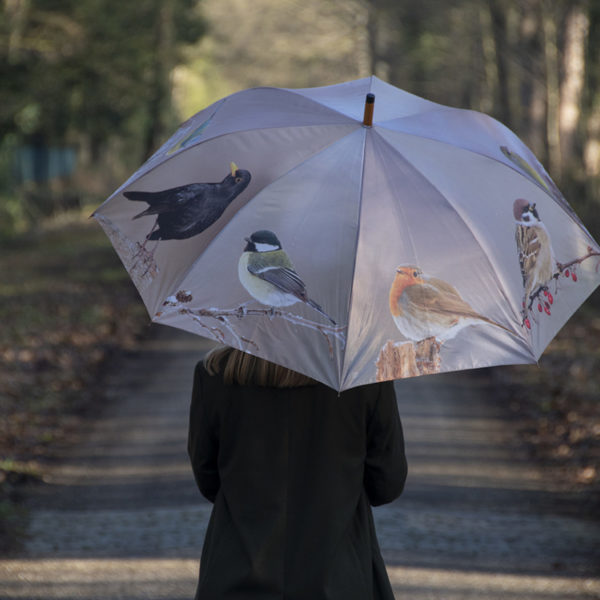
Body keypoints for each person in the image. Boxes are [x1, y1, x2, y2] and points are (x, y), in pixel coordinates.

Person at [188, 345, 408, 600]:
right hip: (338, 576)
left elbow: (207, 478)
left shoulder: (214, 374)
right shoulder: (365, 375)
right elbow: (387, 484)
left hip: (236, 574)